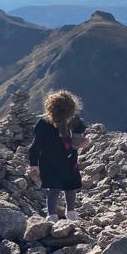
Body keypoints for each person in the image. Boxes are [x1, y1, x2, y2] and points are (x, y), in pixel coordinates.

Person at [27, 90, 88, 222]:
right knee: (54, 188)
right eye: (67, 116)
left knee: (71, 187)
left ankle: (71, 212)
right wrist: (33, 164)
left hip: (70, 161)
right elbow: (35, 147)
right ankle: (51, 216)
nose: (69, 118)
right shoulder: (44, 125)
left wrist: (83, 141)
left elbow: (80, 131)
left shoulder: (73, 120)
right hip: (50, 163)